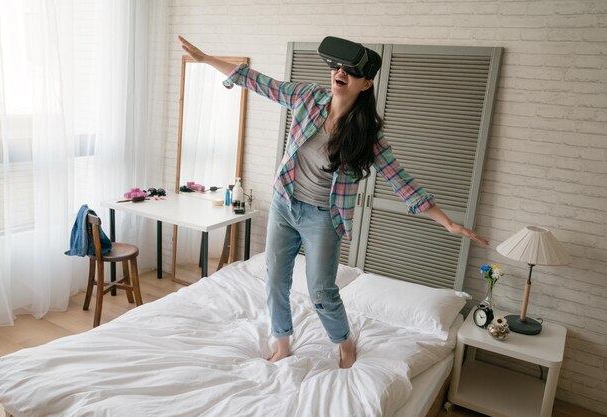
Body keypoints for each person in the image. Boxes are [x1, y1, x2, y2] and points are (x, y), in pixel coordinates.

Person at [178, 35, 489, 369]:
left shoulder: (367, 135)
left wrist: (447, 222)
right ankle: (282, 342)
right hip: (285, 204)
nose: (340, 72)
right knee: (274, 278)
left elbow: (401, 181)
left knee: (321, 291)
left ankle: (344, 341)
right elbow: (258, 82)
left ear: (366, 84)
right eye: (338, 67)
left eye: (351, 71)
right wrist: (208, 58)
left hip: (323, 218)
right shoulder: (308, 98)